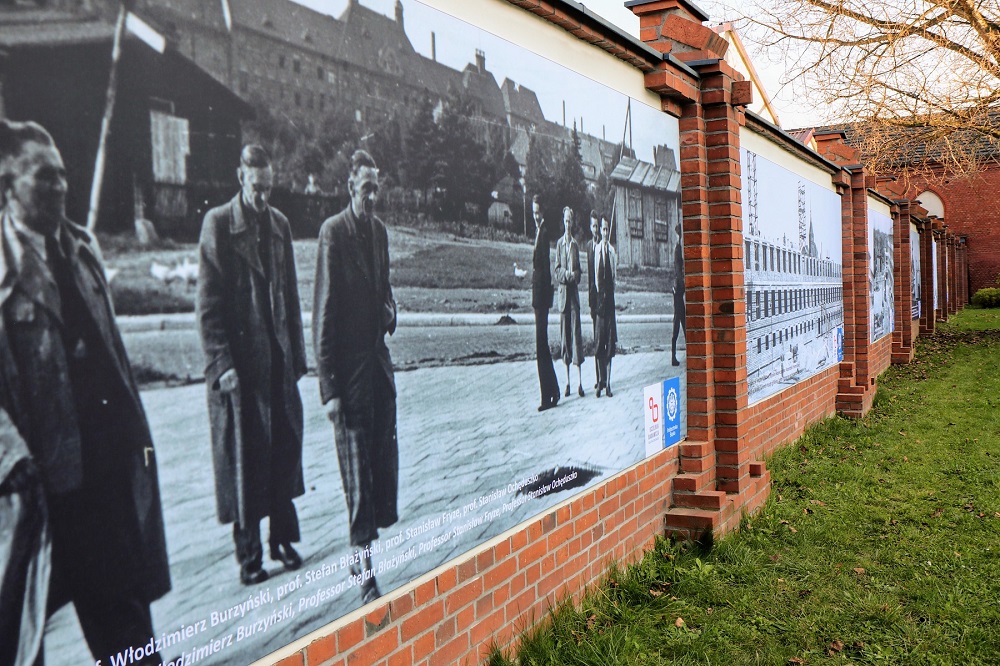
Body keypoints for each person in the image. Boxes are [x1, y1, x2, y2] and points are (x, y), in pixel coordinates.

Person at [0, 119, 169, 665]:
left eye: (64, 177)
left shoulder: (81, 248)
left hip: (103, 483)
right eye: (44, 177)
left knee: (129, 636)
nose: (60, 188)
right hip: (34, 498)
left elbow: (111, 354)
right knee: (20, 641)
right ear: (8, 185)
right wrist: (11, 456)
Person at [197, 144, 308, 586]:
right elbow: (208, 305)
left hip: (277, 363)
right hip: (240, 371)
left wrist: (297, 357)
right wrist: (221, 363)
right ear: (240, 178)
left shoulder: (278, 224)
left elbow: (292, 297)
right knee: (245, 463)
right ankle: (249, 557)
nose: (263, 197)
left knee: (284, 453)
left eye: (269, 188)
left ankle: (283, 539)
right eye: (256, 188)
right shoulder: (219, 224)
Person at [314, 149, 398, 604]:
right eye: (365, 188)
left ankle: (359, 549)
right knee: (358, 479)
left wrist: (391, 311)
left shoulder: (380, 233)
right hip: (347, 378)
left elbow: (387, 291)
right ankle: (364, 571)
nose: (371, 196)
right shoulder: (334, 234)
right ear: (350, 188)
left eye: (376, 188)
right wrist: (328, 388)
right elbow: (323, 313)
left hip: (378, 372)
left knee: (379, 470)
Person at [531, 195, 560, 412]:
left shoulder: (543, 234)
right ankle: (553, 391)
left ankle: (547, 397)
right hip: (539, 298)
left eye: (537, 212)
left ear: (542, 213)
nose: (535, 216)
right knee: (542, 346)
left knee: (541, 347)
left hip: (541, 300)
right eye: (533, 212)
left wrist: (543, 300)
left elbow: (546, 271)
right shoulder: (539, 233)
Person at [554, 206, 585, 397]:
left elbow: (580, 272)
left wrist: (575, 275)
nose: (567, 224)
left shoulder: (575, 245)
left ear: (573, 223)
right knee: (565, 340)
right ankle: (567, 383)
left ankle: (580, 382)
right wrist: (566, 274)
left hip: (573, 298)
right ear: (562, 222)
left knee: (576, 338)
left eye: (569, 221)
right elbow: (556, 270)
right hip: (563, 298)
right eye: (565, 221)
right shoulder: (559, 245)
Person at [594, 215, 618, 397]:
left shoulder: (612, 252)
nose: (604, 232)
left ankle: (609, 383)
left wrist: (608, 295)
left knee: (609, 345)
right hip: (600, 306)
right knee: (599, 344)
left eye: (607, 229)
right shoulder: (597, 251)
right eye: (602, 229)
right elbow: (596, 279)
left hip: (610, 304)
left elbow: (614, 278)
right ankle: (601, 382)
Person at [585, 210, 600, 389]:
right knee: (596, 337)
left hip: (603, 299)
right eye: (593, 226)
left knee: (602, 338)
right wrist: (590, 301)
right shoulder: (589, 246)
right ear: (590, 227)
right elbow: (590, 277)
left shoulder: (603, 244)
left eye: (597, 226)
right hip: (593, 299)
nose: (595, 230)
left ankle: (604, 376)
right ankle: (598, 378)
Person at [672, 223, 686, 366]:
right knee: (678, 321)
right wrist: (682, 286)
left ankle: (674, 356)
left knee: (682, 321)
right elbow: (677, 271)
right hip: (678, 291)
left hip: (678, 290)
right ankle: (673, 356)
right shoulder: (678, 248)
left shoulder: (677, 248)